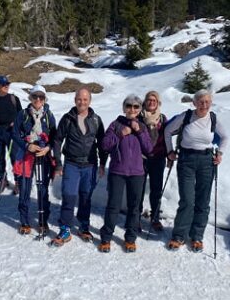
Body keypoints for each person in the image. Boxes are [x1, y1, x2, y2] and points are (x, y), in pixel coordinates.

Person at [164, 89, 229, 251]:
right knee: (187, 199)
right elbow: (167, 131)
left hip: (207, 161)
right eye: (200, 102)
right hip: (186, 160)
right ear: (194, 103)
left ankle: (197, 236)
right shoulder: (186, 117)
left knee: (203, 201)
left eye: (207, 102)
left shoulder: (213, 118)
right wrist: (169, 151)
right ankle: (178, 235)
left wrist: (219, 153)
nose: (204, 105)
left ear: (211, 103)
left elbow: (225, 137)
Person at [51, 88, 108, 246]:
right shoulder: (68, 119)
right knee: (69, 196)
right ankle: (65, 228)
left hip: (90, 165)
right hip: (72, 164)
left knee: (85, 197)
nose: (81, 102)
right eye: (79, 99)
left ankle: (83, 226)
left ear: (90, 101)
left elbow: (102, 144)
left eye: (85, 99)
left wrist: (103, 162)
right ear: (74, 100)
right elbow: (57, 140)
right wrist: (58, 163)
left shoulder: (96, 119)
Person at [100, 94, 153, 253]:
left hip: (137, 172)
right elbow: (104, 145)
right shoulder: (115, 124)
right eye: (129, 106)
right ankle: (106, 237)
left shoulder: (143, 126)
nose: (132, 109)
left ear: (140, 109)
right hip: (117, 171)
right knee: (113, 206)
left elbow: (149, 149)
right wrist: (119, 134)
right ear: (124, 108)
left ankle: (130, 238)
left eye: (136, 106)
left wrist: (139, 132)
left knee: (134, 207)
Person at [11, 85, 56, 235]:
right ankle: (24, 221)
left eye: (41, 97)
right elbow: (15, 134)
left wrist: (48, 148)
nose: (38, 99)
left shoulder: (49, 116)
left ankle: (43, 220)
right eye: (35, 96)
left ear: (44, 99)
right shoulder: (23, 114)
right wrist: (26, 145)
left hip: (43, 156)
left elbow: (55, 137)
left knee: (42, 188)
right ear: (30, 98)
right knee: (24, 188)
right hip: (26, 155)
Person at [0, 75, 22, 193]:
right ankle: (3, 179)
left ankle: (18, 182)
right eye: (3, 84)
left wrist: (15, 123)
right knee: (0, 157)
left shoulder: (13, 99)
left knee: (14, 157)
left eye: (7, 84)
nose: (6, 86)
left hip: (12, 132)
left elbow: (21, 115)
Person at [140, 90, 168, 232]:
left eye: (154, 100)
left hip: (158, 159)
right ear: (145, 102)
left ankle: (155, 217)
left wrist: (170, 154)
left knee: (156, 189)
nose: (151, 102)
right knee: (139, 188)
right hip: (141, 159)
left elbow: (167, 138)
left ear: (158, 103)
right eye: (149, 100)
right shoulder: (138, 117)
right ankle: (135, 217)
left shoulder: (162, 119)